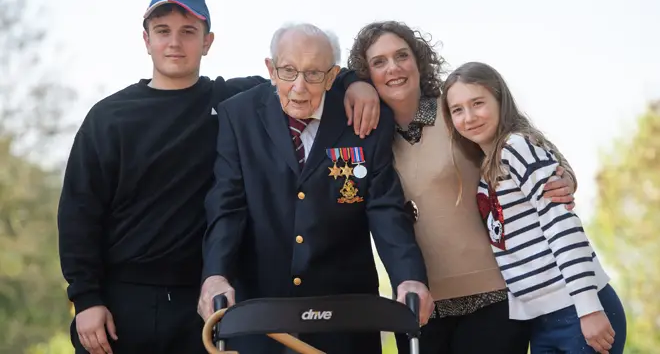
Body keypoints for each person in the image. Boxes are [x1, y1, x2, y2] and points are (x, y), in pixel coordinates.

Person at [57, 0, 381, 354]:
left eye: (188, 31)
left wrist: (354, 82)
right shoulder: (108, 118)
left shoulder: (235, 102)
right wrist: (86, 299)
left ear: (208, 42)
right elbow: (78, 213)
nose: (175, 42)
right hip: (122, 301)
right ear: (146, 40)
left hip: (205, 302)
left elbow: (300, 74)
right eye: (163, 31)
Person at [197, 22, 433, 354]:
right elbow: (227, 205)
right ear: (271, 69)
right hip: (259, 312)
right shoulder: (238, 116)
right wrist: (216, 275)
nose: (299, 88)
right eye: (288, 71)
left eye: (314, 74)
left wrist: (409, 277)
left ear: (334, 74)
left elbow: (384, 208)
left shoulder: (363, 119)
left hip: (345, 313)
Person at [347, 21, 579, 354]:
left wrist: (565, 176)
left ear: (418, 60)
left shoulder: (454, 108)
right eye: (379, 62)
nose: (393, 68)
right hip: (418, 306)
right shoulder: (365, 133)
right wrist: (350, 84)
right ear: (366, 74)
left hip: (494, 297)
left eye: (402, 55)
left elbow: (523, 138)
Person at [441, 61, 627, 354]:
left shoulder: (517, 147)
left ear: (500, 101)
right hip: (541, 320)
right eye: (458, 110)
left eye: (478, 103)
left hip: (577, 308)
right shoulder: (487, 173)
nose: (469, 117)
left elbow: (561, 226)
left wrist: (588, 307)